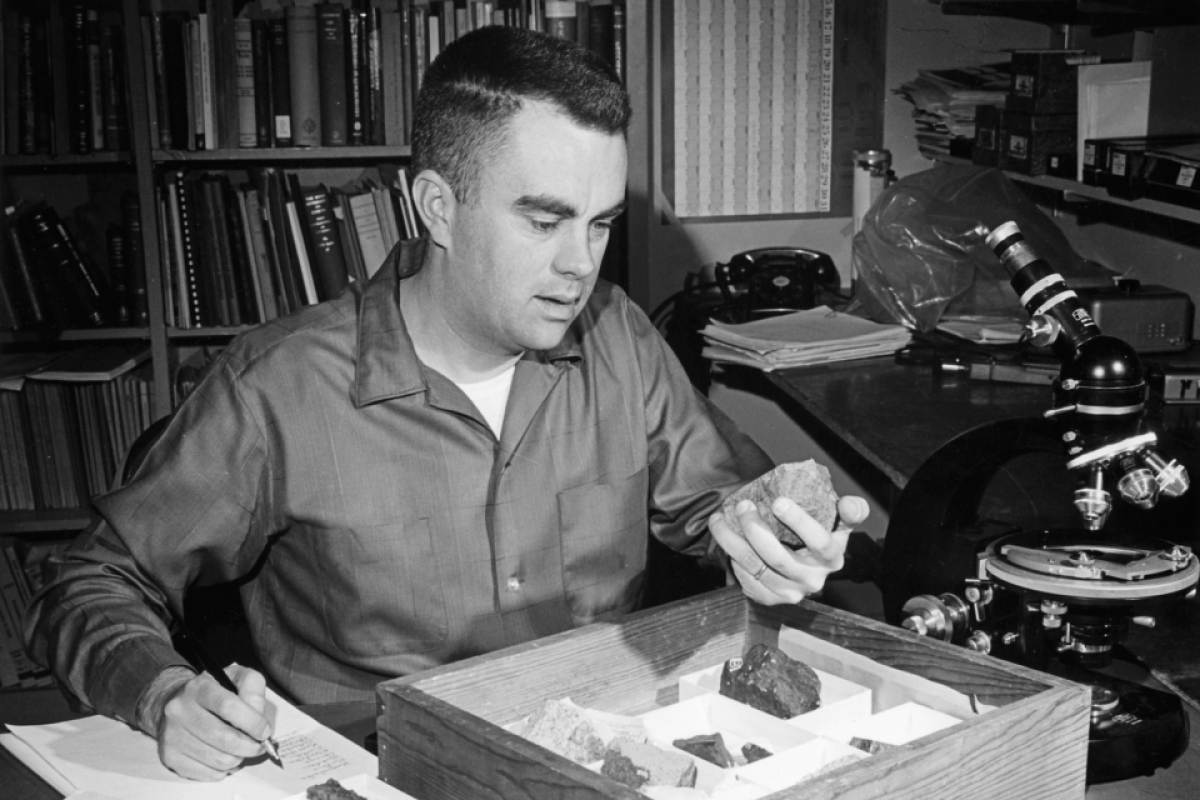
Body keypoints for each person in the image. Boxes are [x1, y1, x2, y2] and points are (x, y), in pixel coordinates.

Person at [25, 26, 867, 781]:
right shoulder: (279, 388)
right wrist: (161, 692)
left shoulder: (622, 340)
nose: (583, 265)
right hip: (384, 773)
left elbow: (720, 505)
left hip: (600, 760)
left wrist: (768, 533)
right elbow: (92, 580)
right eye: (544, 222)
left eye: (601, 223)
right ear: (438, 207)